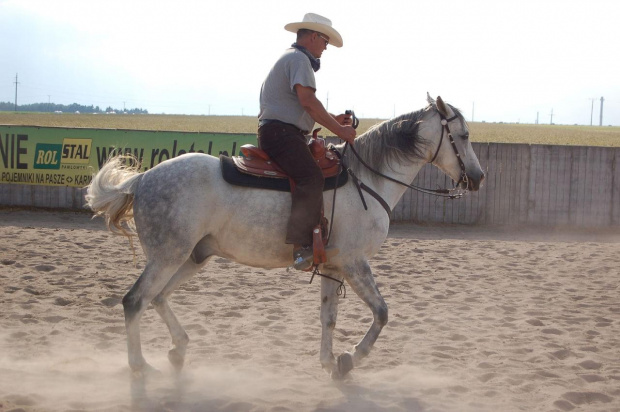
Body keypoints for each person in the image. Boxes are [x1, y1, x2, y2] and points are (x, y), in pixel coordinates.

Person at [258, 13, 356, 271]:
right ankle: (302, 249)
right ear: (313, 37)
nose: (326, 48)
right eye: (325, 41)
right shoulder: (300, 60)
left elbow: (300, 108)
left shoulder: (291, 57)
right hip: (282, 134)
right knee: (312, 178)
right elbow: (309, 103)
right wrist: (340, 131)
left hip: (280, 131)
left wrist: (332, 119)